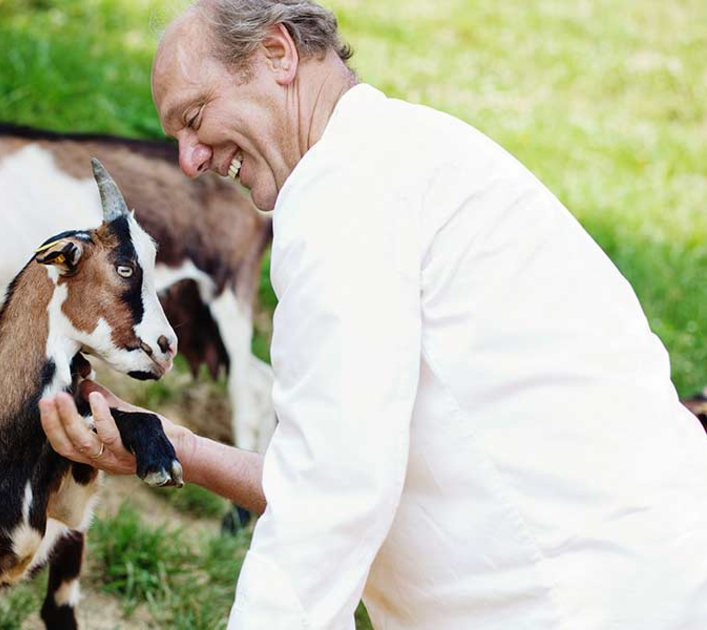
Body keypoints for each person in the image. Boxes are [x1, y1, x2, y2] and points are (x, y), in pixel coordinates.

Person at [40, 1, 707, 628]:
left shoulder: (344, 192)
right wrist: (179, 447)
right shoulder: (399, 154)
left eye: (194, 118)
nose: (189, 161)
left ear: (277, 53)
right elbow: (336, 470)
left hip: (578, 603)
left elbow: (334, 499)